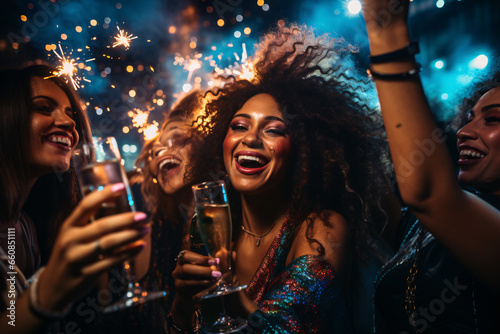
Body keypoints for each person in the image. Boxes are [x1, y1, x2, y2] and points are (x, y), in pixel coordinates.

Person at [167, 24, 390, 333]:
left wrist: (235, 298)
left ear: (303, 151)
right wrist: (181, 301)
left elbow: (288, 329)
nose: (251, 139)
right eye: (239, 126)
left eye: (273, 130)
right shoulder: (208, 229)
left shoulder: (320, 229)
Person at [360, 1, 500, 332]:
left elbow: (426, 191)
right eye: (468, 118)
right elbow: (364, 183)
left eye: (492, 119)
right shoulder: (418, 227)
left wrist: (387, 30)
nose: (464, 133)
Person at [0, 64, 149, 333]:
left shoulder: (26, 227)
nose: (69, 123)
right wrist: (46, 294)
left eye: (71, 114)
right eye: (44, 108)